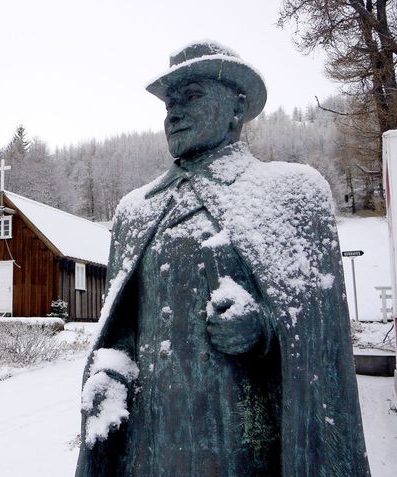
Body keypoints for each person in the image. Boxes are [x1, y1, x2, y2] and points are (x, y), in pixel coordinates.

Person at [75, 42, 371, 477]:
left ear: (237, 106)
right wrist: (110, 375)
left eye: (190, 96)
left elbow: (319, 344)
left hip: (240, 451)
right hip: (149, 447)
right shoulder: (134, 212)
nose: (172, 114)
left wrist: (264, 329)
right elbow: (122, 331)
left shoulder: (291, 194)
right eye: (168, 104)